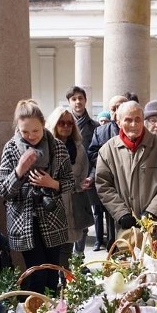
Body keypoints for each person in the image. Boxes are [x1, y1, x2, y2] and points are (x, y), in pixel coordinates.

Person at [0, 99, 73, 295]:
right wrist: (19, 171)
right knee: (35, 274)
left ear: (44, 124)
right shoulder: (11, 148)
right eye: (25, 132)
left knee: (52, 273)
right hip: (24, 221)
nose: (31, 136)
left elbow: (71, 182)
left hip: (52, 218)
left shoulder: (57, 147)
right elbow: (3, 190)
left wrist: (53, 184)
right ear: (18, 128)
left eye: (36, 131)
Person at [95, 101, 157, 230]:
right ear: (119, 122)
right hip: (126, 226)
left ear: (143, 121)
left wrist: (153, 212)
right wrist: (122, 213)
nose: (134, 125)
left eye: (137, 119)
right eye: (128, 120)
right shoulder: (107, 150)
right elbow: (103, 185)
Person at [46, 106, 93, 264]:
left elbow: (83, 174)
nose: (66, 126)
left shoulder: (79, 149)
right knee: (53, 252)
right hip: (52, 205)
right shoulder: (46, 147)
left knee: (67, 249)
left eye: (69, 123)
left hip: (72, 205)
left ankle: (65, 284)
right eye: (61, 123)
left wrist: (83, 184)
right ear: (54, 124)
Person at [87, 94, 126, 250]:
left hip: (133, 189)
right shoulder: (101, 132)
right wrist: (111, 164)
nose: (116, 112)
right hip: (111, 187)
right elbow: (92, 154)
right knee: (112, 227)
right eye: (113, 108)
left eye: (120, 107)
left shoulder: (138, 131)